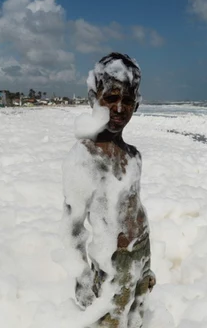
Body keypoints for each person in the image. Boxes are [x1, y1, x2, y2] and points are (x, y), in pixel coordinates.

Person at [62, 52, 156, 328]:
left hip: (141, 252)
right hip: (110, 263)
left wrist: (146, 261)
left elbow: (134, 206)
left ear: (136, 105)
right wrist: (82, 277)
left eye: (127, 100)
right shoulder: (85, 156)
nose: (119, 108)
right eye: (111, 98)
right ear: (95, 99)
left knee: (137, 317)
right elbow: (72, 227)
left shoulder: (133, 156)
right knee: (109, 321)